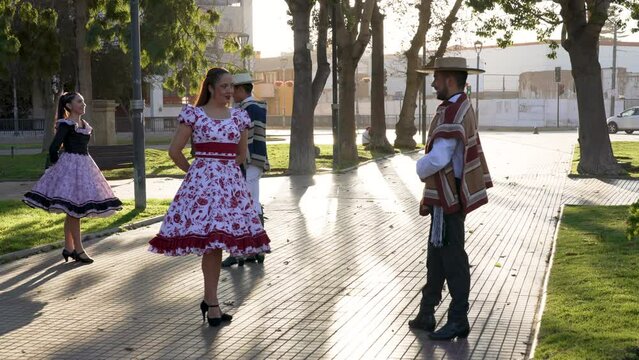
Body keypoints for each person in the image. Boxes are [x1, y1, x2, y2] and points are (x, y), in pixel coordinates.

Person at [148, 68, 271, 327]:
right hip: (202, 189)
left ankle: (210, 301)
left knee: (217, 244)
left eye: (231, 86)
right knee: (211, 245)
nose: (229, 91)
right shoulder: (194, 114)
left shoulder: (239, 117)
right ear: (211, 87)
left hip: (229, 189)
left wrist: (224, 172)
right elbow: (174, 151)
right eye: (224, 86)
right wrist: (196, 172)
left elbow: (241, 155)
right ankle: (212, 303)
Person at [408, 57, 493, 340]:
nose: (432, 83)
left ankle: (458, 319)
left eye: (436, 78)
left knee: (453, 258)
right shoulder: (460, 106)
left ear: (449, 80)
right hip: (447, 197)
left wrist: (419, 168)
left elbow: (440, 157)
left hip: (448, 197)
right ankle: (427, 312)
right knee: (437, 254)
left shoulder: (453, 110)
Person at [23, 92, 123, 264]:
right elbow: (54, 148)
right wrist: (56, 167)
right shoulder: (66, 124)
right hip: (70, 168)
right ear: (69, 106)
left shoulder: (85, 124)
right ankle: (79, 249)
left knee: (73, 210)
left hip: (85, 168)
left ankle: (69, 248)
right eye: (79, 101)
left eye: (83, 101)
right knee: (74, 210)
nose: (83, 104)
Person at [222, 72, 270, 268]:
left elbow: (239, 137)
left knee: (243, 206)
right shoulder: (256, 106)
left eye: (234, 90)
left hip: (247, 161)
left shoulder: (246, 109)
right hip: (255, 161)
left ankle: (241, 252)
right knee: (253, 203)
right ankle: (254, 250)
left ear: (242, 89)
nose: (231, 93)